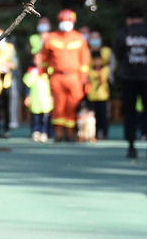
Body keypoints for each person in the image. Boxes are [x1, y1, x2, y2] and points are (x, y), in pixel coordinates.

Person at [112, 7, 147, 158]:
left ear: (128, 19)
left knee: (129, 113)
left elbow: (118, 54)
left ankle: (131, 146)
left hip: (129, 77)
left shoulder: (123, 34)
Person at [42, 9, 90, 142]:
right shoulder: (51, 37)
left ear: (73, 22)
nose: (65, 23)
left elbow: (85, 59)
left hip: (74, 77)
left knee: (73, 104)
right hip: (57, 77)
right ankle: (58, 133)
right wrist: (46, 73)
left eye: (68, 21)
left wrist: (83, 78)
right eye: (63, 21)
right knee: (58, 105)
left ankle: (70, 133)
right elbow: (44, 57)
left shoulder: (79, 38)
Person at [86, 30, 111, 139]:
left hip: (103, 95)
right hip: (91, 94)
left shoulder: (107, 55)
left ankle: (103, 132)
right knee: (91, 115)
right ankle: (91, 133)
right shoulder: (86, 54)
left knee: (103, 115)